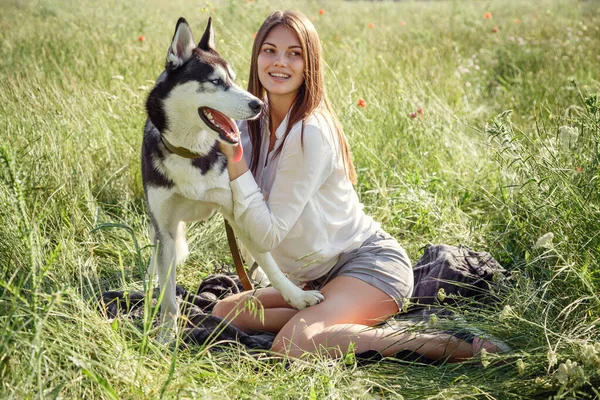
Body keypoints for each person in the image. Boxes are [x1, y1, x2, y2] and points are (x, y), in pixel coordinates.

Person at [212, 10, 503, 361]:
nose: (279, 62)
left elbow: (266, 235)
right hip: (315, 281)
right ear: (256, 56)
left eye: (294, 53)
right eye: (270, 50)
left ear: (310, 64)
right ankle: (326, 323)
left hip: (369, 266)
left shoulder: (309, 132)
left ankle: (449, 345)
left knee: (292, 345)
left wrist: (235, 159)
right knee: (224, 313)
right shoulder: (250, 125)